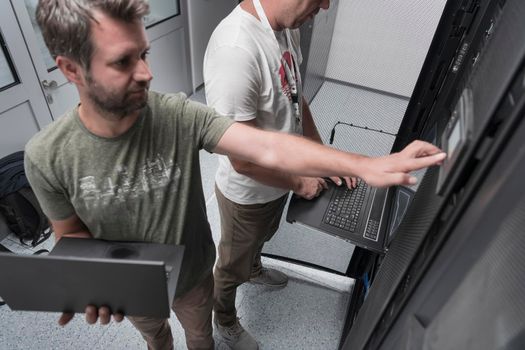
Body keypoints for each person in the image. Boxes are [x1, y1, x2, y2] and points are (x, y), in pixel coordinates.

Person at [26, 1, 444, 350]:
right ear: (71, 70)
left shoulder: (173, 113)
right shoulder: (47, 157)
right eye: (123, 62)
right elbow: (70, 235)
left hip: (192, 275)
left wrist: (363, 164)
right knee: (156, 337)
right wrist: (93, 281)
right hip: (133, 288)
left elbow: (262, 145)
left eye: (144, 54)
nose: (146, 74)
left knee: (199, 335)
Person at [203, 1, 352, 348]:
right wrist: (300, 181)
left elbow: (296, 100)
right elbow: (240, 158)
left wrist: (322, 156)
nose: (326, 6)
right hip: (248, 195)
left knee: (266, 234)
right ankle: (224, 320)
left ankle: (253, 269)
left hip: (277, 183)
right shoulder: (235, 49)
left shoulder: (286, 29)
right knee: (229, 267)